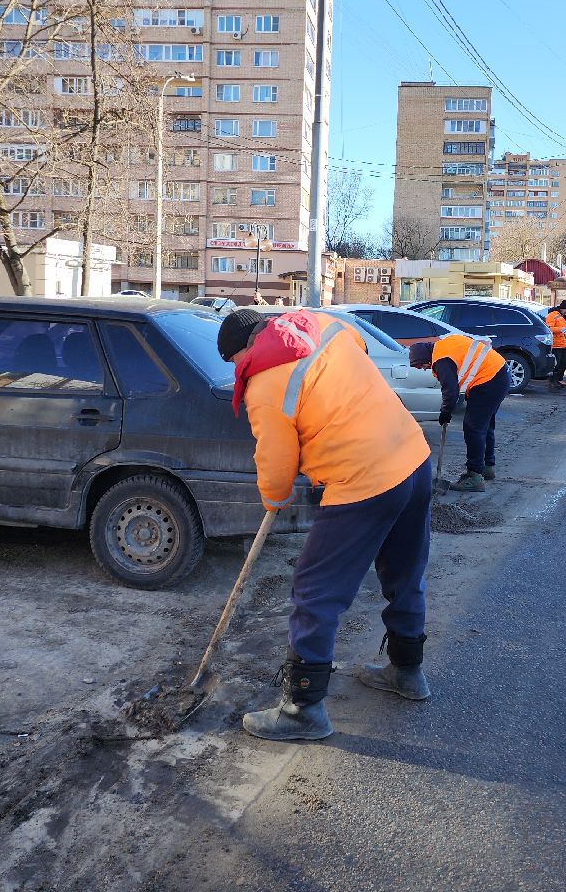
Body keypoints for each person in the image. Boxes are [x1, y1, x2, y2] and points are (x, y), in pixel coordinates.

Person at [218, 308, 434, 742]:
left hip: (364, 479)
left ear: (244, 352)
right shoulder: (322, 324)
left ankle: (303, 709)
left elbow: (277, 465)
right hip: (412, 457)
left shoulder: (265, 384)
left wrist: (274, 498)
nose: (240, 370)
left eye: (237, 363)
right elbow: (360, 347)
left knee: (315, 591)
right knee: (404, 573)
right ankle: (408, 673)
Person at [409, 334, 511, 492]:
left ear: (425, 358)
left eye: (422, 366)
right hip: (499, 373)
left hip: (488, 380)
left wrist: (445, 412)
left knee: (473, 427)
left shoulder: (441, 361)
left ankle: (475, 476)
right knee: (485, 424)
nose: (425, 369)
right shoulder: (445, 344)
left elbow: (451, 392)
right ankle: (486, 467)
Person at [545, 300, 566, 390]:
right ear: (561, 309)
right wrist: (560, 329)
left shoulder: (565, 316)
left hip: (564, 344)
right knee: (556, 364)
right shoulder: (553, 315)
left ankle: (559, 380)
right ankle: (553, 381)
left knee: (563, 363)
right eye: (565, 310)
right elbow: (548, 328)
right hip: (556, 345)